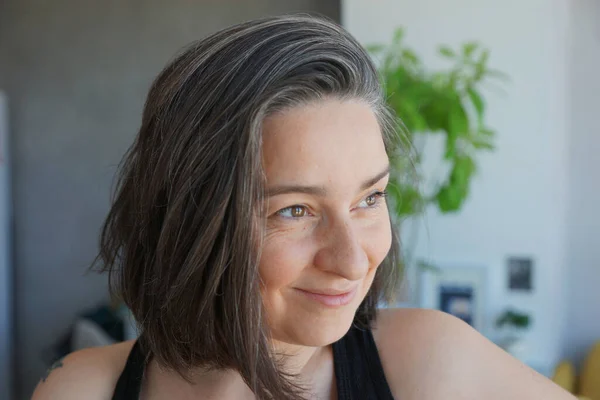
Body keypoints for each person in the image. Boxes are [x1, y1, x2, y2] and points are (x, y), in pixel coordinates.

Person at [32, 14, 574, 400]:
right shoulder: (82, 388)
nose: (354, 260)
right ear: (191, 217)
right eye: (295, 210)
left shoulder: (431, 363)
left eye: (370, 197)